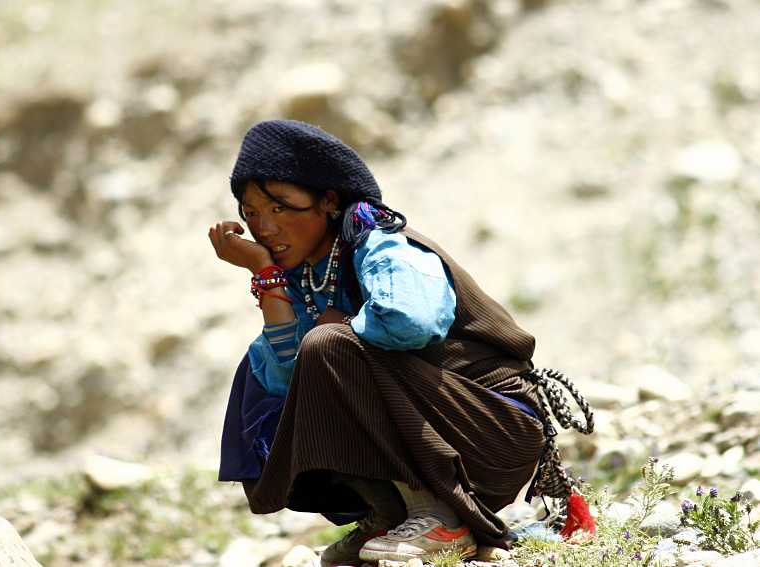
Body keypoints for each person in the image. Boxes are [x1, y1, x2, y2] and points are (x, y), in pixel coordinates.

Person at [209, 119, 550, 566]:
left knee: (330, 346)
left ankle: (442, 518)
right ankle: (391, 515)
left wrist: (342, 327)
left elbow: (411, 321)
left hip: (494, 428)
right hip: (447, 429)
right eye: (251, 213)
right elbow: (288, 374)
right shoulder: (307, 276)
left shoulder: (384, 247)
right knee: (261, 373)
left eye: (279, 208)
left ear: (329, 200)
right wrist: (265, 274)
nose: (264, 228)